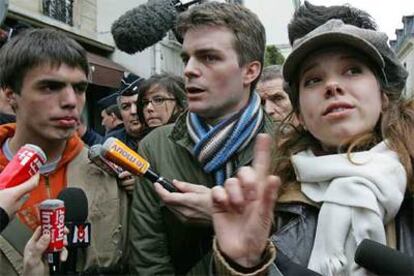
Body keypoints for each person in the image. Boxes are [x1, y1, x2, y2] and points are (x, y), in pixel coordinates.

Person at [211, 18, 414, 275]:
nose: (332, 86)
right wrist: (244, 265)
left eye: (352, 70)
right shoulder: (271, 200)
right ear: (300, 116)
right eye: (313, 80)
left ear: (384, 97)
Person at [128, 2, 274, 274]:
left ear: (250, 71)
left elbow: (302, 250)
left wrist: (224, 218)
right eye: (187, 58)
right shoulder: (155, 146)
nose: (189, 70)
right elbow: (147, 259)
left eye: (208, 57)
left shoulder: (286, 146)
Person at [0, 28, 129, 275]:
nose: (71, 100)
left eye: (80, 88)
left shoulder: (111, 174)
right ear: (11, 95)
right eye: (50, 86)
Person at [108, 72, 145, 152]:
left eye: (138, 104)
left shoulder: (160, 140)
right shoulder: (112, 143)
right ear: (120, 112)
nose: (133, 111)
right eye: (126, 107)